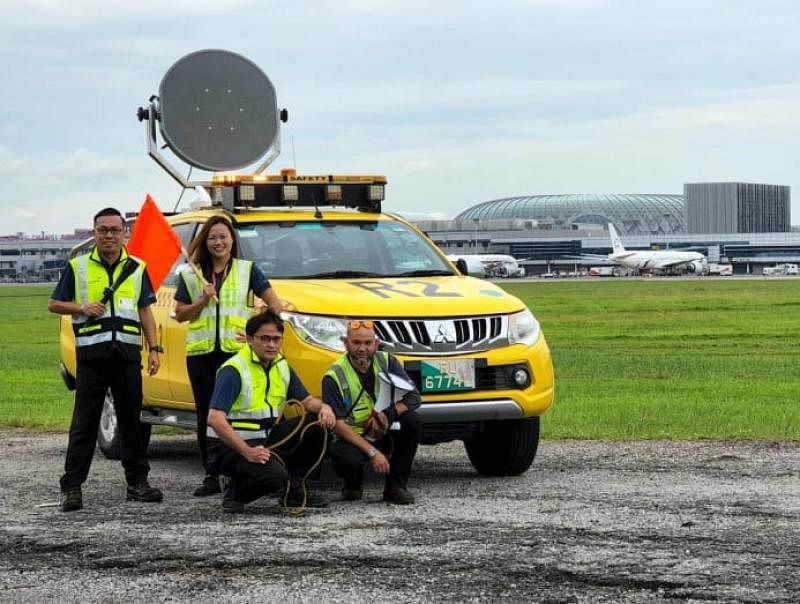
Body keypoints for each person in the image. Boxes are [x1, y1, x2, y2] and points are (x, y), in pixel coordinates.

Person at [48, 207, 163, 512]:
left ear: (125, 232)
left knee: (132, 422)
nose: (109, 235)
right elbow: (54, 304)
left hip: (126, 356)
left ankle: (138, 484)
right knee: (84, 423)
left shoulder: (137, 268)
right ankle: (72, 487)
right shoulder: (78, 266)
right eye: (103, 230)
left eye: (115, 230)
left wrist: (154, 348)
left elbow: (145, 311)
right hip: (92, 356)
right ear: (94, 233)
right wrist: (82, 308)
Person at [174, 216, 283, 497]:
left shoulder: (247, 270)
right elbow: (180, 314)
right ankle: (210, 473)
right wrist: (202, 299)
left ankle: (236, 468)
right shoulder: (191, 273)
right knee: (205, 414)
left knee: (235, 413)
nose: (218, 242)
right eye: (212, 237)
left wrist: (254, 328)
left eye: (223, 236)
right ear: (205, 242)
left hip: (236, 356)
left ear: (232, 240)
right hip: (201, 354)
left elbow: (275, 305)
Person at [206, 310, 337, 513]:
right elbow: (214, 419)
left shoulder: (281, 366)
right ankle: (236, 492)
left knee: (316, 425)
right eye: (265, 339)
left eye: (276, 339)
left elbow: (308, 401)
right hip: (230, 447)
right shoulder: (234, 369)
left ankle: (294, 490)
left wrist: (325, 408)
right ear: (250, 340)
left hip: (267, 440)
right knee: (274, 477)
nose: (271, 345)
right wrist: (247, 452)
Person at [322, 320, 422, 504]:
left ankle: (396, 487)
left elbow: (414, 397)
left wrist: (388, 414)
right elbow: (338, 424)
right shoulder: (334, 375)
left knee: (412, 421)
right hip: (352, 436)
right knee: (347, 461)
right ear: (345, 343)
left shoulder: (387, 361)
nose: (362, 349)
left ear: (376, 344)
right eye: (356, 343)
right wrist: (372, 453)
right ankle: (352, 484)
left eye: (368, 343)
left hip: (382, 430)